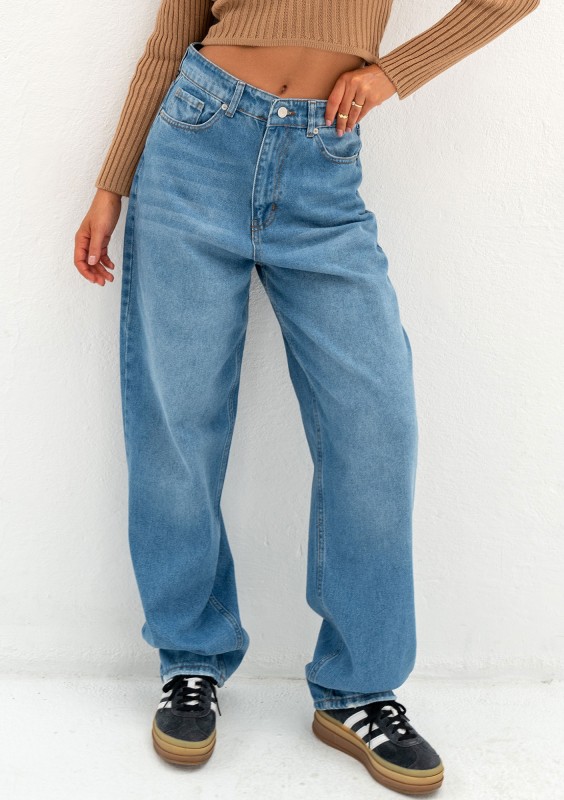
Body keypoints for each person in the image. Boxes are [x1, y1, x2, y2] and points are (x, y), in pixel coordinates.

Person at [74, 0, 540, 794]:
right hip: (193, 147)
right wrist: (110, 186)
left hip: (323, 167)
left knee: (376, 423)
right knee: (177, 425)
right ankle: (189, 660)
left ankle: (358, 689)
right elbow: (169, 43)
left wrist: (394, 74)